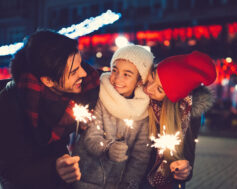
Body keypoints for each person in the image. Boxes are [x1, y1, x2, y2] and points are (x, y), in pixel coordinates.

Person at [0, 30, 100, 189]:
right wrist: (53, 169)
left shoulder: (81, 87)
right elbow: (9, 170)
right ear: (48, 81)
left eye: (80, 64)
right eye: (74, 71)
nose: (83, 72)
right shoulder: (9, 105)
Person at [73, 45, 154, 189]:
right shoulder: (100, 96)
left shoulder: (144, 109)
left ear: (140, 80)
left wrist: (130, 184)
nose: (117, 78)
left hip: (119, 184)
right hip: (86, 179)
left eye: (127, 74)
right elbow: (90, 137)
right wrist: (108, 148)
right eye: (114, 70)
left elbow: (141, 155)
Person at [142, 51, 217, 189]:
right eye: (152, 77)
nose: (148, 88)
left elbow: (186, 156)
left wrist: (184, 171)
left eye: (160, 89)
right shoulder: (138, 96)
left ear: (171, 98)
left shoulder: (186, 114)